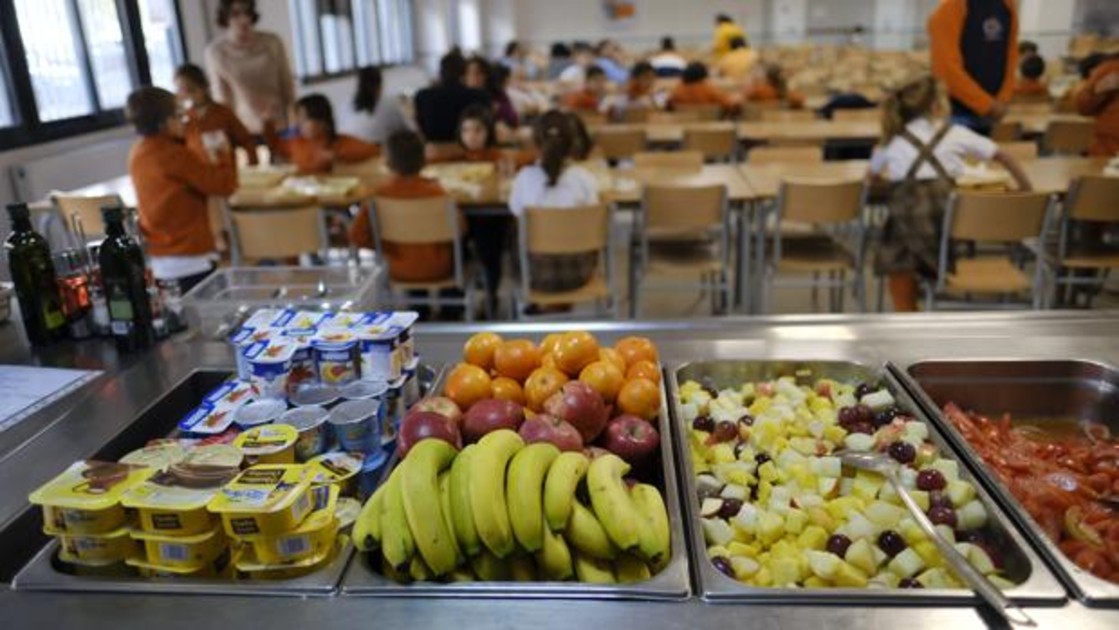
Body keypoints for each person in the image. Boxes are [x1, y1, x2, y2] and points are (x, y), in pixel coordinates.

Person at [868, 74, 1032, 313]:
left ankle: (906, 310)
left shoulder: (890, 139)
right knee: (935, 229)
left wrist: (891, 178)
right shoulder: (955, 132)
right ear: (937, 105)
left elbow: (870, 178)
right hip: (947, 227)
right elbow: (1005, 156)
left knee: (899, 250)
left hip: (906, 230)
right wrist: (1026, 190)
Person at [125, 87, 237, 293]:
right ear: (164, 122)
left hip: (160, 260)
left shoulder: (138, 152)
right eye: (179, 115)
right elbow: (225, 185)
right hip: (192, 258)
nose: (184, 121)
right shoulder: (173, 154)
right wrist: (223, 153)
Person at [509, 111, 601, 297]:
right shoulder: (585, 178)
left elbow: (515, 210)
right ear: (572, 143)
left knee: (513, 230)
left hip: (535, 274)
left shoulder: (524, 178)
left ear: (535, 143)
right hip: (579, 273)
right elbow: (595, 217)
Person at [349, 130, 456, 284]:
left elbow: (356, 235)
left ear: (387, 161)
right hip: (439, 267)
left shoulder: (379, 195)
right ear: (423, 159)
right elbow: (459, 228)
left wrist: (383, 246)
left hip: (395, 267)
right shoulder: (438, 193)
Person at [928, 0, 1019, 135]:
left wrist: (1003, 99)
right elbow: (945, 71)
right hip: (957, 115)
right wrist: (988, 105)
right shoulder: (951, 7)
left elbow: (1011, 59)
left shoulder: (1008, 5)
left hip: (993, 116)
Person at [204, 0, 296, 133]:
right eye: (236, 14)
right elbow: (221, 96)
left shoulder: (272, 42)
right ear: (226, 17)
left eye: (247, 13)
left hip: (280, 123)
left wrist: (294, 123)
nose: (244, 19)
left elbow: (287, 85)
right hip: (246, 128)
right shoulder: (216, 52)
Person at [266, 94, 379, 175]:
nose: (298, 124)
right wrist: (267, 123)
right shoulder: (296, 142)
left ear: (323, 122)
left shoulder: (339, 143)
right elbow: (275, 145)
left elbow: (374, 150)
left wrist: (338, 155)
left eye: (304, 119)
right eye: (297, 119)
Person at [173, 63, 257, 166]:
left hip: (224, 170)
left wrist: (252, 164)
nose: (185, 94)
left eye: (190, 89)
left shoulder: (223, 113)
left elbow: (246, 140)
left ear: (203, 87)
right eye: (180, 90)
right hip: (197, 171)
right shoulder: (184, 118)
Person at [414, 51, 491, 144]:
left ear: (440, 72)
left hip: (434, 149)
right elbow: (488, 128)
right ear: (463, 74)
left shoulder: (422, 96)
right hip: (469, 148)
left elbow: (420, 128)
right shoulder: (479, 96)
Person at [346, 65, 414, 144]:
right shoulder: (390, 103)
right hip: (382, 148)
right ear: (380, 84)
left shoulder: (347, 106)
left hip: (356, 148)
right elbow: (406, 129)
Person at [1075, 54, 1119, 156]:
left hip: (1108, 152)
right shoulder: (1111, 69)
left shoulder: (1111, 68)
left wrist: (1098, 92)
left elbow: (1083, 106)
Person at [669, 62, 739, 116]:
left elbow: (669, 104)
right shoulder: (708, 90)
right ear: (703, 75)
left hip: (683, 125)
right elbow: (729, 104)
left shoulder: (678, 90)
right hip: (710, 126)